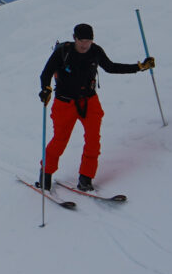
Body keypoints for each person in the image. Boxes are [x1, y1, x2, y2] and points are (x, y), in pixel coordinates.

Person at [36, 23, 154, 191]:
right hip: (64, 103)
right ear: (74, 38)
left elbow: (111, 67)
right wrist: (45, 88)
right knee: (60, 140)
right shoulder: (63, 52)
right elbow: (46, 73)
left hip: (89, 102)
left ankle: (86, 178)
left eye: (89, 41)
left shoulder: (95, 51)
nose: (85, 45)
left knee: (93, 140)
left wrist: (139, 67)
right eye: (82, 40)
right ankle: (45, 173)